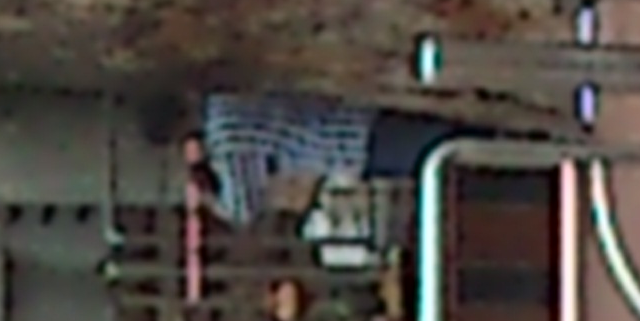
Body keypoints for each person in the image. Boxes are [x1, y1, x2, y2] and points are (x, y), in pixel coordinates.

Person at [187, 92, 468, 227]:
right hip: (346, 115)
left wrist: (207, 192)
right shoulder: (222, 104)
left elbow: (242, 209)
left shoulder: (227, 145)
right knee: (441, 137)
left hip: (345, 148)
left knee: (441, 155)